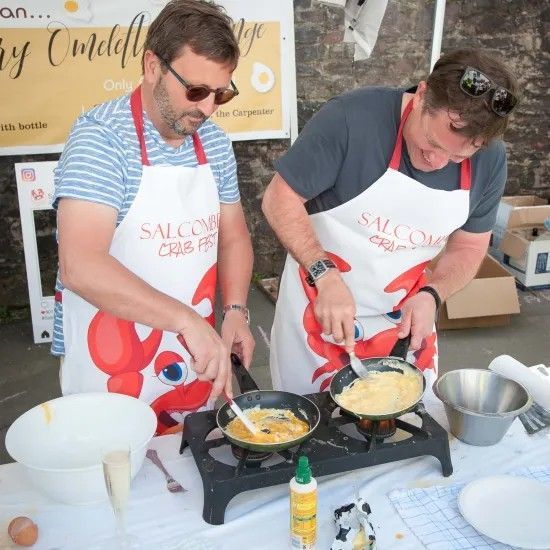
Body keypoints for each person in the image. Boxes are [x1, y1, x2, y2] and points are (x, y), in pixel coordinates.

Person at [262, 49, 519, 395]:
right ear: (422, 95)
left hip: (406, 322)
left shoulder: (491, 160)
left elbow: (470, 245)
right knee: (313, 427)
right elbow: (280, 198)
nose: (438, 162)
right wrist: (324, 273)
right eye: (431, 142)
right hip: (319, 308)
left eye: (458, 156)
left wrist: (434, 293)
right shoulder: (351, 119)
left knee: (406, 428)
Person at [52, 0, 254, 434]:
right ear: (152, 66)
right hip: (113, 367)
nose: (208, 109)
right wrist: (185, 320)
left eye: (222, 93)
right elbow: (80, 265)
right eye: (196, 91)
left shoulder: (214, 143)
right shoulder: (101, 140)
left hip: (194, 359)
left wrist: (236, 310)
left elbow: (233, 235)